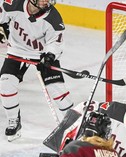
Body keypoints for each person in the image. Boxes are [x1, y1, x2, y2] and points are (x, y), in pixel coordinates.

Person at [0, 0, 73, 142]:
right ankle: (14, 120)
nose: (46, 1)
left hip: (42, 55)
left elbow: (55, 42)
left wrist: (50, 56)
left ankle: (73, 126)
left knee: (57, 91)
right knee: (6, 83)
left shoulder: (53, 18)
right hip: (17, 50)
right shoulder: (14, 4)